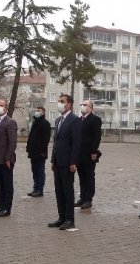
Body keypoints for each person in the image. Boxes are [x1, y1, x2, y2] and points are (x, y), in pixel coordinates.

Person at [48, 94, 82, 230]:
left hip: (68, 163)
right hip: (57, 162)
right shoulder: (58, 120)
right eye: (59, 101)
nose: (59, 104)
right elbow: (56, 143)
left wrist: (74, 162)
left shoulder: (74, 120)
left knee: (68, 191)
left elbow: (76, 143)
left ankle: (69, 219)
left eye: (62, 101)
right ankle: (61, 217)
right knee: (59, 191)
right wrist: (52, 160)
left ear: (69, 104)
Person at [0, 99, 18, 218]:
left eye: (1, 105)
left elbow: (12, 142)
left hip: (5, 159)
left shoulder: (10, 122)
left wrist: (7, 158)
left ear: (6, 108)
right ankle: (0, 205)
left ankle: (7, 208)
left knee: (7, 184)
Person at [76, 100, 102, 210]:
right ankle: (82, 197)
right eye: (81, 104)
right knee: (81, 176)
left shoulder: (95, 119)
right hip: (79, 153)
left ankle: (88, 199)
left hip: (89, 153)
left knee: (89, 176)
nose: (82, 106)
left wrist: (93, 151)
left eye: (85, 105)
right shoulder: (78, 120)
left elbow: (96, 137)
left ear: (90, 108)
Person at [26, 106, 51, 197]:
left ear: (43, 113)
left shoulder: (45, 123)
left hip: (40, 153)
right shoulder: (35, 122)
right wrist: (28, 148)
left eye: (38, 111)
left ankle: (40, 190)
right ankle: (35, 188)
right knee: (34, 171)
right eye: (36, 110)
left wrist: (42, 152)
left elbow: (46, 139)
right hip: (33, 152)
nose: (36, 112)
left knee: (40, 171)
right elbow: (31, 137)